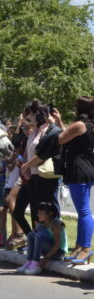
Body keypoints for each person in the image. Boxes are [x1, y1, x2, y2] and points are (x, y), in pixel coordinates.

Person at [49, 97, 94, 264]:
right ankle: (79, 247)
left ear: (79, 108)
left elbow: (60, 139)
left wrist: (52, 124)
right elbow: (70, 137)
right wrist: (60, 121)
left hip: (78, 170)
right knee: (83, 211)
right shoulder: (87, 125)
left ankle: (86, 248)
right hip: (86, 169)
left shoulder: (80, 125)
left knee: (84, 212)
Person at [18, 101, 61, 225]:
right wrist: (26, 168)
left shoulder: (47, 130)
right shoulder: (35, 131)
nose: (29, 117)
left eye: (30, 113)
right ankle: (37, 241)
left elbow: (43, 154)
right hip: (34, 176)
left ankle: (55, 242)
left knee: (48, 211)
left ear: (37, 113)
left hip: (45, 176)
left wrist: (27, 166)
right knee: (36, 212)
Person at [17, 202, 67, 275]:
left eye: (41, 213)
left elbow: (56, 245)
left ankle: (36, 263)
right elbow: (33, 237)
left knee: (39, 235)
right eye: (38, 212)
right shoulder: (43, 223)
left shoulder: (56, 224)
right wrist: (37, 228)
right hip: (49, 250)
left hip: (58, 253)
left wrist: (45, 258)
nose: (38, 215)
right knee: (31, 234)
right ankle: (29, 261)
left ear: (50, 214)